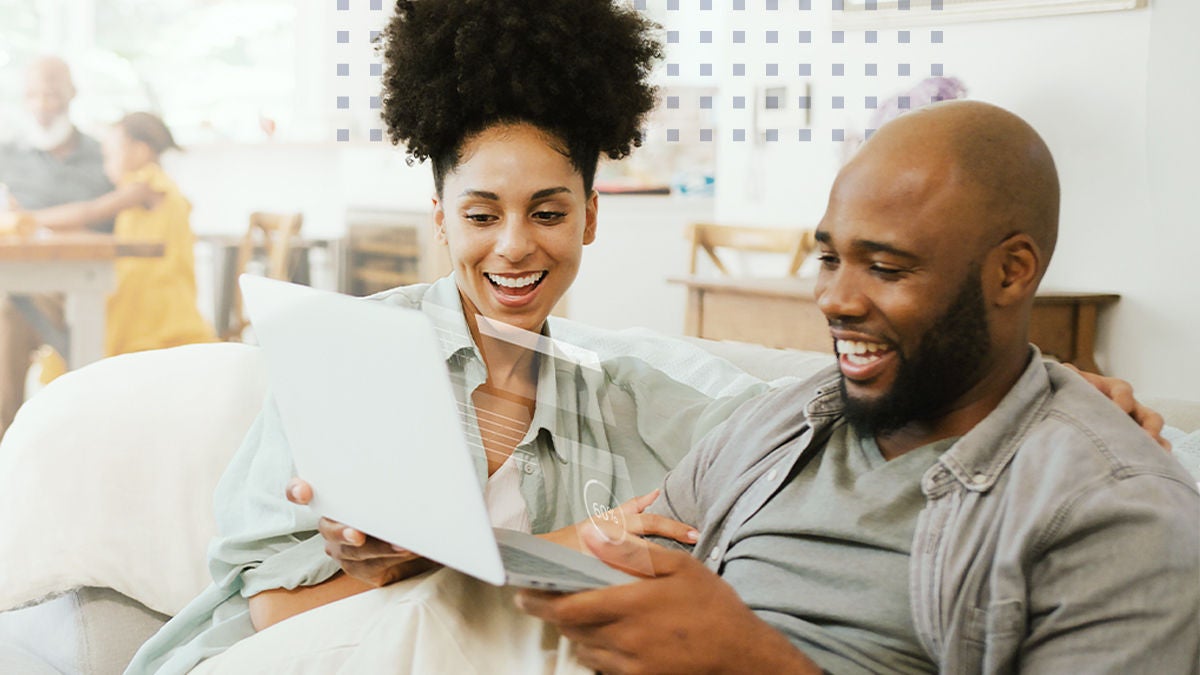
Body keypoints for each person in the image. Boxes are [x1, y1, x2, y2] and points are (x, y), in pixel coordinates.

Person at [126, 2, 1173, 672]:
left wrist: (1058, 385)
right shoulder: (353, 353)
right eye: (482, 213)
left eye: (547, 210)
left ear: (591, 216)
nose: (514, 246)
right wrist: (378, 562)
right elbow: (270, 614)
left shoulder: (641, 388)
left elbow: (829, 397)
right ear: (439, 217)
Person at [517, 101, 1199, 673]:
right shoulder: (783, 421)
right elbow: (635, 573)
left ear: (1012, 272)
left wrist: (755, 664)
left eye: (886, 268)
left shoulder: (1118, 513)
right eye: (829, 258)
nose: (835, 299)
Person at [7, 112, 215, 365]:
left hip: (151, 304)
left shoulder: (146, 184)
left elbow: (90, 212)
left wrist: (28, 218)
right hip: (141, 291)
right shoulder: (148, 188)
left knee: (64, 313)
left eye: (110, 156)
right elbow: (114, 236)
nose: (106, 166)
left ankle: (74, 363)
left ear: (139, 152)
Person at [0, 56, 113, 437]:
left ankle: (85, 432)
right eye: (32, 95)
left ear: (72, 94)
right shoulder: (7, 155)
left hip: (95, 285)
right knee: (9, 306)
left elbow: (121, 221)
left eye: (51, 94)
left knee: (11, 306)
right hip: (24, 284)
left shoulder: (106, 155)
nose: (42, 105)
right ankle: (8, 437)